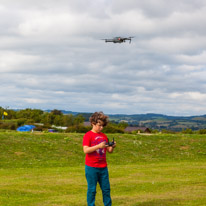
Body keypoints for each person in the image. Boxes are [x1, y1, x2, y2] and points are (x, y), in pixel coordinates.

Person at [83, 111, 116, 206]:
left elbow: (109, 150)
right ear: (93, 123)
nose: (101, 127)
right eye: (99, 125)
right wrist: (98, 146)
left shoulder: (104, 136)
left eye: (103, 126)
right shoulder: (88, 135)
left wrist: (112, 146)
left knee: (106, 189)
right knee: (92, 189)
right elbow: (86, 150)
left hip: (103, 167)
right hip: (91, 167)